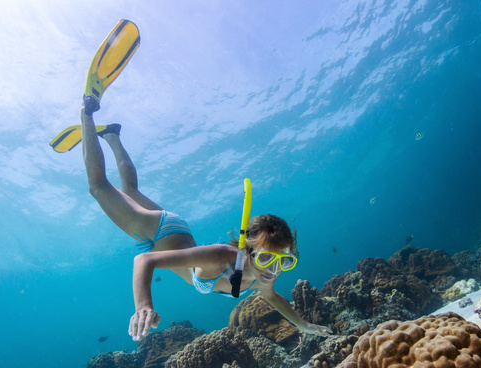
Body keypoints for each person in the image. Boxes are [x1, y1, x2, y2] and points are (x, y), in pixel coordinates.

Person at [80, 107, 333, 342]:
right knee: (98, 187)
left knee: (129, 190)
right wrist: (143, 306)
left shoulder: (264, 271)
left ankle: (112, 135)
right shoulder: (222, 257)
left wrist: (302, 325)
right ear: (248, 251)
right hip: (158, 233)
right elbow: (145, 261)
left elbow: (272, 297)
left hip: (179, 231)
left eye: (284, 261)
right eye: (267, 259)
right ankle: (87, 110)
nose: (274, 270)